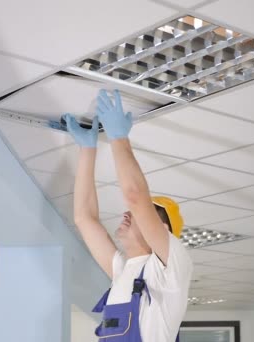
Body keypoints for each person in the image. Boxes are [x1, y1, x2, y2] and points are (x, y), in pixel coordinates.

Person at [63, 89, 194, 342]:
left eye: (138, 214)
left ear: (162, 229)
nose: (128, 212)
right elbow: (85, 217)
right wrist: (87, 150)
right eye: (136, 213)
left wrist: (118, 138)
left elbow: (132, 198)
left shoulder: (169, 268)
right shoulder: (127, 270)